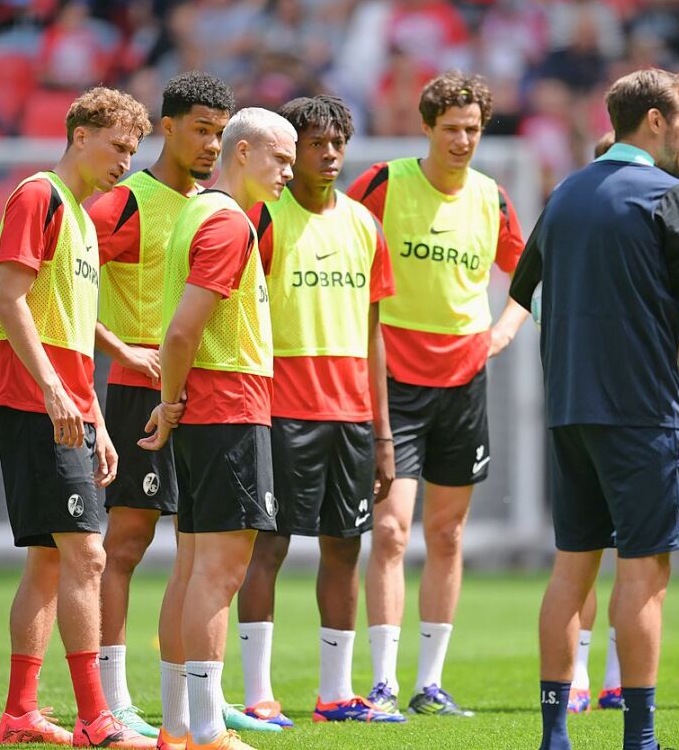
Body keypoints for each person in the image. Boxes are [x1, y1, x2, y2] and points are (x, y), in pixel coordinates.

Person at [510, 68, 679, 750]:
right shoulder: (666, 193)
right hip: (639, 414)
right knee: (644, 573)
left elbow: (525, 285)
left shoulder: (566, 192)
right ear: (653, 121)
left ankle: (555, 736)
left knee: (570, 569)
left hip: (569, 410)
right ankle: (638, 738)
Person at [348, 70, 527, 717]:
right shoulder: (382, 184)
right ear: (425, 127)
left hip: (463, 381)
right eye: (450, 128)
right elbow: (338, 247)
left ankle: (429, 681)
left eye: (472, 129)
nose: (461, 140)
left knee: (446, 535)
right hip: (391, 379)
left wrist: (503, 329)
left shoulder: (491, 196)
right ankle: (382, 682)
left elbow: (529, 272)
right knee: (392, 530)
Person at [0, 87, 155, 748]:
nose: (125, 161)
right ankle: (96, 720)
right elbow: (10, 300)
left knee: (50, 564)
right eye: (117, 146)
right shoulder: (39, 195)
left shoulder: (84, 222)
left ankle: (20, 712)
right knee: (88, 554)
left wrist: (96, 418)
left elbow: (75, 322)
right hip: (35, 401)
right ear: (80, 134)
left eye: (133, 152)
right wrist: (58, 392)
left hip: (65, 404)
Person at [235, 95, 403, 725]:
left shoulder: (364, 225)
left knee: (344, 547)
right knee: (268, 548)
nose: (329, 154)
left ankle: (336, 694)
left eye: (338, 143)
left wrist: (382, 433)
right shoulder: (263, 221)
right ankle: (258, 695)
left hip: (351, 418)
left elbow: (374, 333)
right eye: (315, 144)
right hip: (280, 410)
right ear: (290, 151)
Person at [139, 107, 297, 750]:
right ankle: (206, 729)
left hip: (212, 406)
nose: (289, 170)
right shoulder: (229, 223)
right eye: (280, 157)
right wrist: (170, 401)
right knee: (221, 572)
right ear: (244, 152)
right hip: (227, 405)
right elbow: (181, 330)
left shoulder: (200, 212)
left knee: (192, 567)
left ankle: (178, 726)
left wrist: (174, 401)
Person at [89, 70, 236, 739]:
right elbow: (58, 284)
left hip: (205, 390)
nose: (211, 144)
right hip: (138, 389)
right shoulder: (123, 204)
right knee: (124, 542)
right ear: (168, 127)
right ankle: (112, 697)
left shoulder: (216, 206)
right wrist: (123, 348)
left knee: (201, 549)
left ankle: (197, 700)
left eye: (220, 133)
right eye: (201, 130)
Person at [567, 129, 679, 716]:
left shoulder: (647, 223)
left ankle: (609, 680)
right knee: (595, 559)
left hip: (593, 409)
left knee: (625, 559)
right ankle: (580, 676)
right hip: (621, 413)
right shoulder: (592, 230)